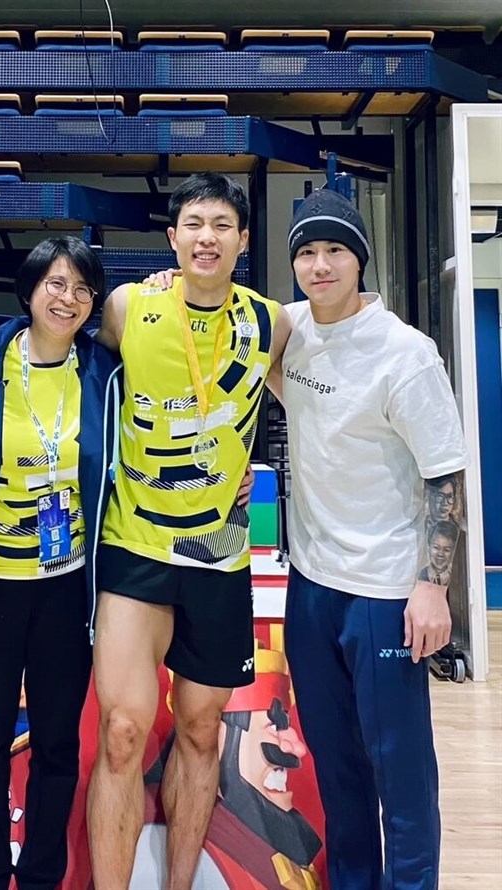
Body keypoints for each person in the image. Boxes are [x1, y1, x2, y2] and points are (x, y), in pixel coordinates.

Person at [88, 172, 292, 890]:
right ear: (172, 238)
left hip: (220, 556)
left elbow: (318, 408)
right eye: (194, 224)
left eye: (222, 225)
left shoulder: (273, 323)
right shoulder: (126, 306)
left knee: (203, 732)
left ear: (242, 239)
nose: (208, 237)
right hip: (135, 544)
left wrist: (257, 472)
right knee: (122, 731)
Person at [277, 188, 468, 890]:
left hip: (385, 590)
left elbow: (445, 476)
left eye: (333, 250)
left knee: (400, 770)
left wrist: (431, 585)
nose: (319, 264)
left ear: (359, 259)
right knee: (335, 762)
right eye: (305, 251)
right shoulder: (288, 331)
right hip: (311, 585)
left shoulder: (405, 353)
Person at [0, 236, 121, 890]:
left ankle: (41, 876)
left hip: (66, 592)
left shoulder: (105, 373)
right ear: (29, 290)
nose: (67, 297)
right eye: (55, 283)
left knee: (57, 747)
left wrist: (226, 479)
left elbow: (151, 452)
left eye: (81, 288)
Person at [132, 643, 323, 890]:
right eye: (275, 727)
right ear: (218, 735)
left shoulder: (259, 845)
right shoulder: (151, 845)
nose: (297, 748)